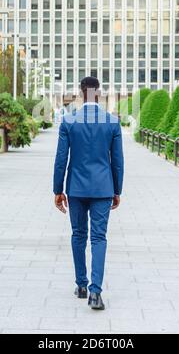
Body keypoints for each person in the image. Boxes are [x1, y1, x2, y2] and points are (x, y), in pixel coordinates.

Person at [53, 77, 124, 310]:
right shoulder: (112, 122)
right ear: (99, 93)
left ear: (81, 93)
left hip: (76, 188)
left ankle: (81, 285)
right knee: (98, 238)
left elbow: (61, 159)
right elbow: (118, 162)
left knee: (78, 235)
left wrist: (58, 190)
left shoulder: (69, 121)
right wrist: (117, 190)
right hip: (103, 188)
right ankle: (95, 293)